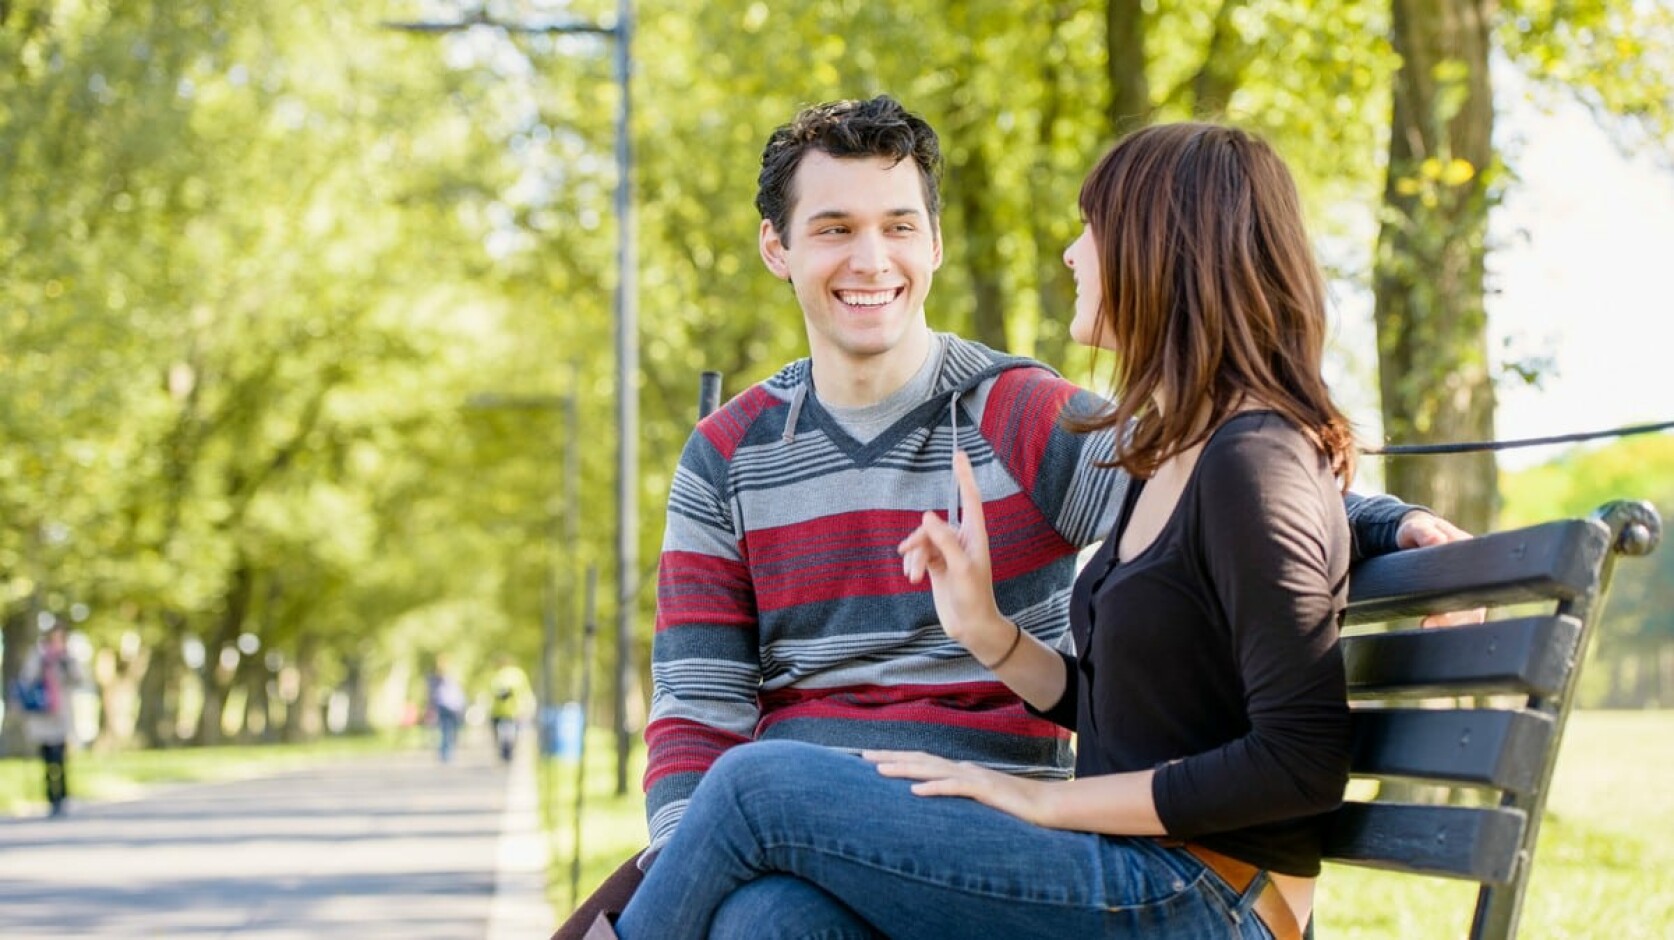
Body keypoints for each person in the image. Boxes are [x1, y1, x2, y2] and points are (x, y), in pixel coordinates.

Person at [554, 96, 1469, 939]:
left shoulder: (1019, 412)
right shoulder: (728, 455)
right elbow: (696, 711)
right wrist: (987, 631)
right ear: (776, 248)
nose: (870, 259)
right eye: (834, 229)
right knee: (768, 922)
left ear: (935, 245)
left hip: (1014, 842)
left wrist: (1392, 524)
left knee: (751, 789)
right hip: (825, 841)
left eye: (898, 227)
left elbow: (1239, 506)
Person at [15, 625, 82, 817]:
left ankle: (63, 796)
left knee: (60, 757)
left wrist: (65, 665)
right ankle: (51, 797)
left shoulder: (67, 657)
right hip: (42, 714)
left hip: (60, 714)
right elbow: (27, 678)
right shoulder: (38, 655)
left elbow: (78, 679)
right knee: (47, 758)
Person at [487, 656, 534, 764]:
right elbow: (525, 692)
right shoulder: (518, 674)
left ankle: (506, 754)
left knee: (505, 735)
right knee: (509, 735)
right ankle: (507, 754)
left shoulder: (502, 675)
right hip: (509, 710)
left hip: (506, 711)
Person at [425, 655, 466, 764]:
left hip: (451, 706)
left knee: (448, 730)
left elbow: (457, 693)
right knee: (446, 730)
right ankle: (446, 754)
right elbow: (433, 693)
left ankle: (446, 752)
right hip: (445, 706)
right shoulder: (437, 678)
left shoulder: (450, 677)